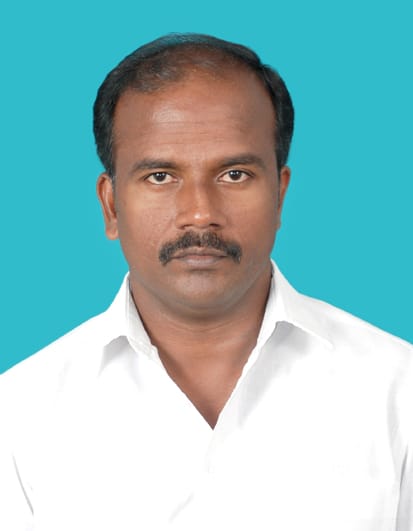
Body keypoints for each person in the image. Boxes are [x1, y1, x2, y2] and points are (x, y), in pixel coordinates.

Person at [0, 33, 412, 531]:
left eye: (234, 174)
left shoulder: (398, 391)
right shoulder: (18, 415)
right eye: (160, 176)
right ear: (110, 205)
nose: (199, 213)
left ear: (280, 195)